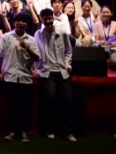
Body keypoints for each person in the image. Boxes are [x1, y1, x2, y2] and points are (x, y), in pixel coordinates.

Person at [0, 13, 40, 143]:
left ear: (27, 24)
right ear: (14, 22)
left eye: (23, 21)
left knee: (25, 107)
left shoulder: (32, 40)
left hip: (26, 78)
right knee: (12, 106)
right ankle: (14, 132)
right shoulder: (6, 37)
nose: (21, 23)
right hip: (10, 77)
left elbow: (37, 58)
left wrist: (26, 47)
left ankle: (24, 132)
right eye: (18, 21)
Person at [34, 8, 77, 143]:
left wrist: (68, 64)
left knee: (67, 102)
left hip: (63, 72)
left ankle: (67, 132)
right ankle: (49, 130)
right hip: (47, 72)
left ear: (53, 18)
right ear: (41, 19)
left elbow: (68, 51)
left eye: (50, 18)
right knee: (49, 100)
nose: (48, 21)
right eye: (45, 19)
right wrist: (36, 69)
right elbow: (35, 53)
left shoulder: (62, 33)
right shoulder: (38, 34)